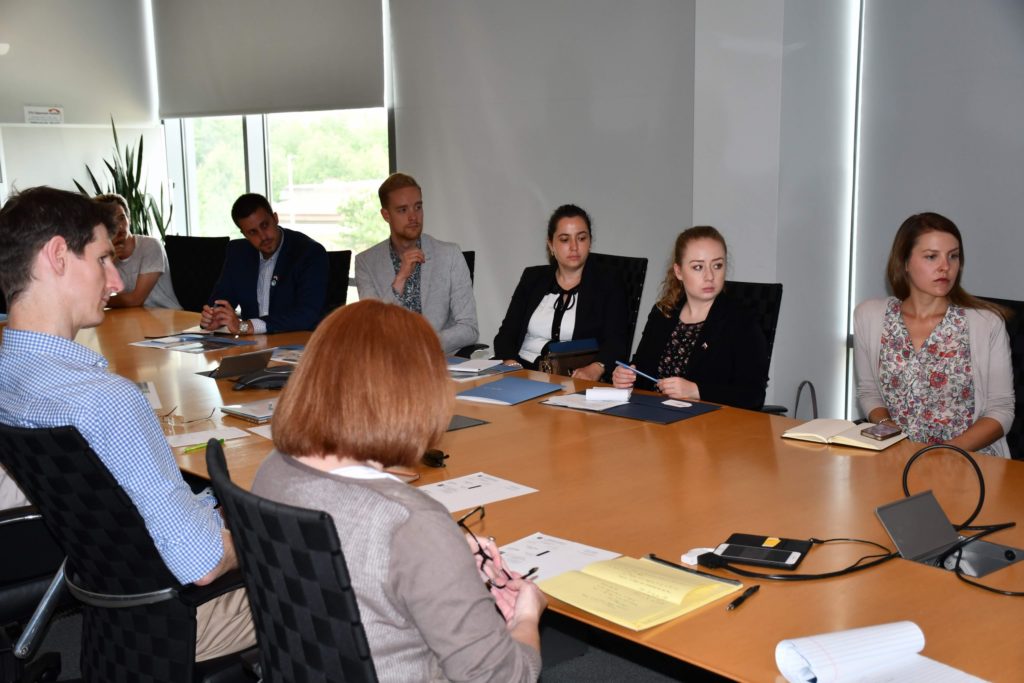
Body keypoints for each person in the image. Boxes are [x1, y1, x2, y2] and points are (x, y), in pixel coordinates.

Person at [0, 186, 254, 660]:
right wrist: (267, 533)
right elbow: (202, 562)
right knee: (353, 565)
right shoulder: (107, 402)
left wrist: (214, 507)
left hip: (114, 612)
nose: (115, 280)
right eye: (101, 259)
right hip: (182, 619)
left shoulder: (8, 378)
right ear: (57, 255)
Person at [250, 300, 544, 681]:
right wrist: (527, 615)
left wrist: (443, 565)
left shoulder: (273, 469)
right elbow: (504, 677)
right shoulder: (413, 524)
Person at [854, 212, 1013, 457]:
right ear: (904, 262)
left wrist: (944, 452)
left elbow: (1001, 410)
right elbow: (869, 392)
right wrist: (886, 426)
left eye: (954, 256)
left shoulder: (986, 324)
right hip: (896, 459)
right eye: (931, 257)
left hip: (968, 462)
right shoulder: (870, 316)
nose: (945, 267)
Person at [613, 226, 769, 410]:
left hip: (712, 428)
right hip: (654, 420)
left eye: (717, 265)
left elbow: (753, 396)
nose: (709, 276)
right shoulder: (663, 313)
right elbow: (641, 369)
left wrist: (697, 391)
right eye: (698, 267)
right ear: (678, 272)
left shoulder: (741, 320)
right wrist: (626, 377)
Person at [493, 204, 628, 380]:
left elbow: (617, 341)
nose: (574, 247)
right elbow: (506, 334)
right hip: (521, 371)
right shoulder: (533, 278)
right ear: (551, 245)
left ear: (590, 242)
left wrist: (596, 368)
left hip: (574, 378)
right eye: (564, 239)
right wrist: (511, 364)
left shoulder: (609, 282)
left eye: (581, 238)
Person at [355, 173, 479, 355]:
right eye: (403, 210)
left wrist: (421, 344)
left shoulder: (449, 254)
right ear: (386, 215)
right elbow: (374, 328)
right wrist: (400, 279)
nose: (413, 217)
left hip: (437, 361)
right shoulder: (366, 262)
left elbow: (469, 328)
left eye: (418, 207)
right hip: (387, 364)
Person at [202, 193, 328, 334]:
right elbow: (221, 301)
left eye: (265, 225)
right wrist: (214, 317)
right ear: (244, 234)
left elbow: (307, 315)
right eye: (252, 232)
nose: (263, 236)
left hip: (298, 344)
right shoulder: (238, 253)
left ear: (275, 218)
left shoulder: (308, 253)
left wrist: (246, 326)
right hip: (252, 345)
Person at [94, 193, 181, 309]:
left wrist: (100, 302)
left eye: (121, 218)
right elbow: (93, 293)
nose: (120, 226)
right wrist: (109, 263)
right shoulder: (102, 255)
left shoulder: (150, 246)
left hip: (168, 317)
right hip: (133, 319)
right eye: (111, 221)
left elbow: (135, 300)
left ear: (129, 219)